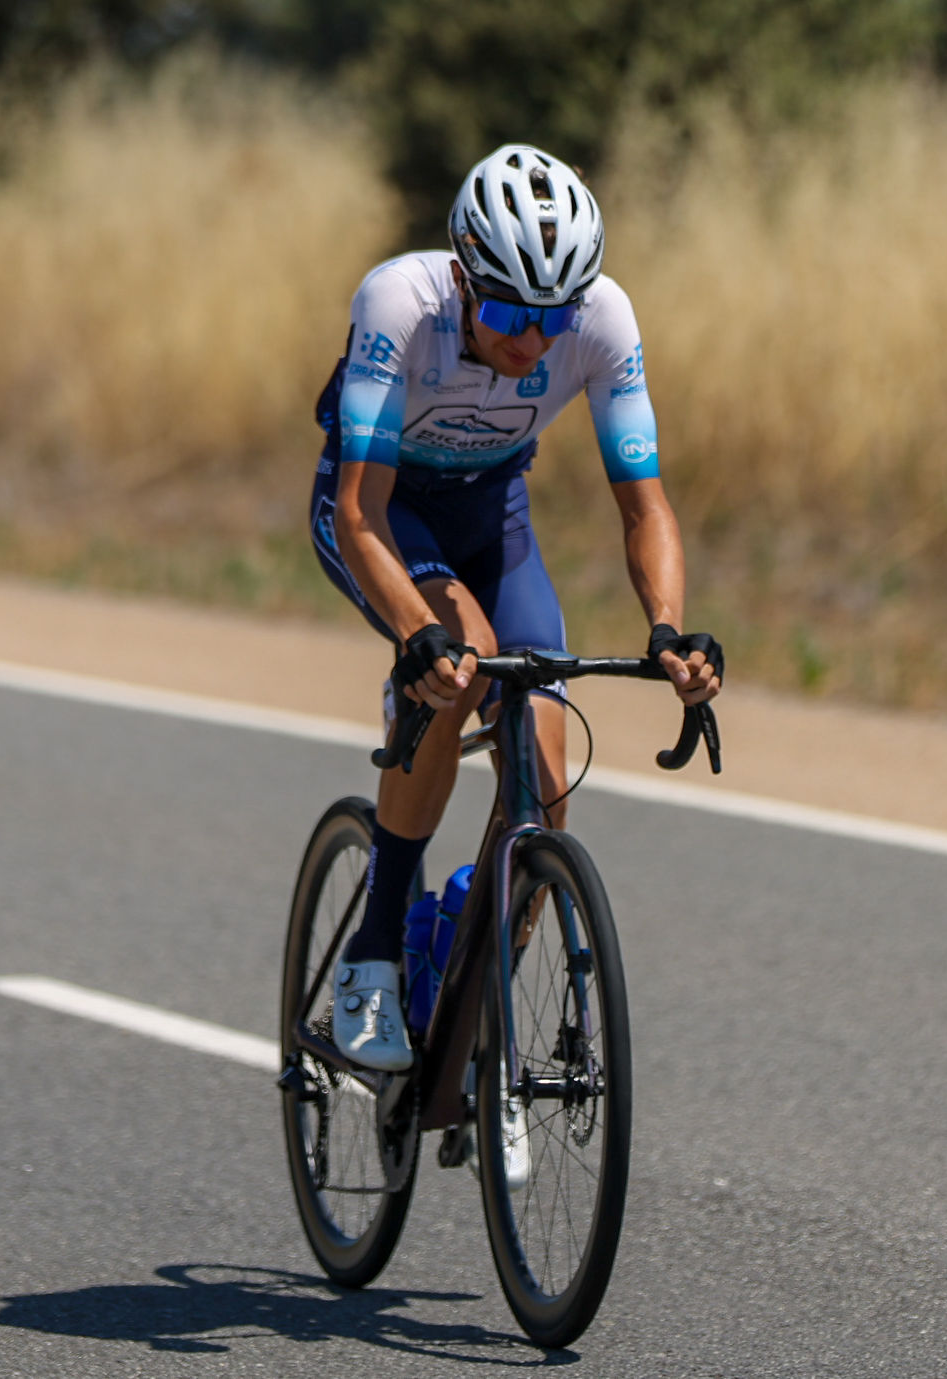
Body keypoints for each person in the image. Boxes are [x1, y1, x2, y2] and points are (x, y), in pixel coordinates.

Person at [310, 144, 723, 1072]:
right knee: (462, 660)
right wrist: (417, 633)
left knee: (546, 786)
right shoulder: (398, 304)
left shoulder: (606, 319)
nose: (532, 343)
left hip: (494, 515)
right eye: (506, 315)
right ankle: (373, 952)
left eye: (554, 319)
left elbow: (646, 507)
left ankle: (467, 968)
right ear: (464, 279)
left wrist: (666, 628)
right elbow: (359, 512)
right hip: (386, 510)